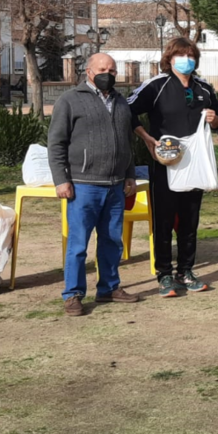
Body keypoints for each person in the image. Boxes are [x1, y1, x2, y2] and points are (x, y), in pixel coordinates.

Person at [129, 37, 218, 297]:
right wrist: (146, 138)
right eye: (181, 55)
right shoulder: (156, 86)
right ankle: (164, 274)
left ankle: (186, 270)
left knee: (190, 219)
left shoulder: (203, 87)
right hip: (166, 163)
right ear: (169, 58)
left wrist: (215, 120)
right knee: (164, 220)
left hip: (196, 163)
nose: (186, 60)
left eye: (191, 55)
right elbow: (127, 110)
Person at [48, 53, 140, 316]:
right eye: (102, 69)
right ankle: (73, 294)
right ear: (88, 71)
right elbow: (56, 143)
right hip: (83, 184)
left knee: (112, 241)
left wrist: (130, 174)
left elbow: (127, 142)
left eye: (112, 70)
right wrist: (61, 180)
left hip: (115, 185)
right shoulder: (69, 100)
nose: (108, 74)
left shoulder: (121, 102)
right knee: (78, 244)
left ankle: (109, 288)